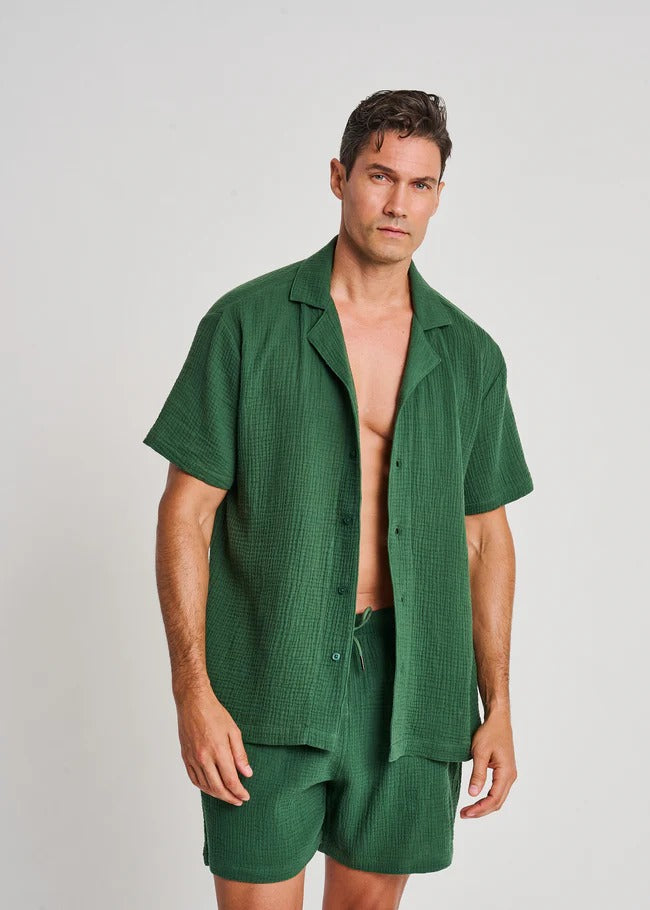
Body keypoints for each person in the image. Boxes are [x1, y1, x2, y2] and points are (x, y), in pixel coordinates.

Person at [143, 89, 535, 910]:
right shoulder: (245, 324)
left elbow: (484, 538)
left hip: (415, 688)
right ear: (339, 177)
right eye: (380, 176)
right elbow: (187, 512)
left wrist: (498, 705)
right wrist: (192, 690)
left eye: (420, 185)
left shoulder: (471, 355)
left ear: (438, 197)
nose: (398, 204)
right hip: (268, 674)